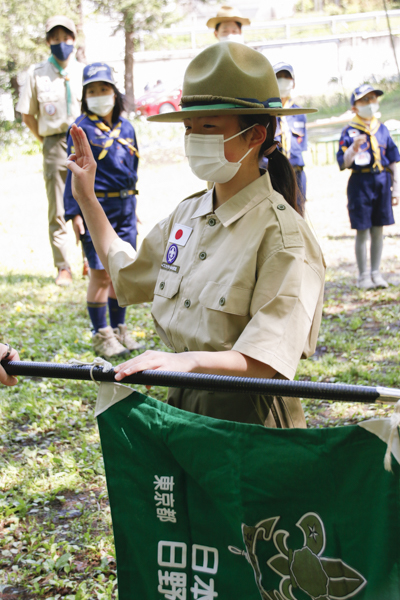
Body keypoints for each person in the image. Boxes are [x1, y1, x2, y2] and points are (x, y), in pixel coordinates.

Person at [63, 42, 325, 428]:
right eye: (189, 127)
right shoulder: (188, 214)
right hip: (184, 418)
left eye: (209, 127)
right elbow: (125, 272)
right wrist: (87, 198)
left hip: (251, 429)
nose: (194, 138)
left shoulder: (285, 237)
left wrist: (185, 362)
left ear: (255, 135)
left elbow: (266, 360)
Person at [64, 62, 144, 358]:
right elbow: (71, 172)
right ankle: (101, 334)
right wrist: (74, 212)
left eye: (104, 89)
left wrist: (133, 205)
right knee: (100, 273)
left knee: (121, 270)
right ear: (85, 96)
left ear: (115, 92)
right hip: (96, 208)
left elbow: (132, 168)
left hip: (125, 207)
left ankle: (120, 329)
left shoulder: (127, 127)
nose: (99, 94)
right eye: (93, 90)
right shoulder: (80, 128)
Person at [16, 15, 84, 286]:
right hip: (54, 142)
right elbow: (28, 116)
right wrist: (46, 141)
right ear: (47, 42)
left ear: (74, 40)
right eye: (55, 38)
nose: (61, 43)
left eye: (65, 38)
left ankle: (91, 259)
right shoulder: (36, 74)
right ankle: (63, 266)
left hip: (84, 142)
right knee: (57, 206)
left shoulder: (85, 71)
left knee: (89, 200)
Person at [337, 84, 400, 289]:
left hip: (381, 181)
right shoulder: (349, 131)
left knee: (378, 230)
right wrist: (353, 148)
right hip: (360, 183)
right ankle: (363, 276)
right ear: (354, 107)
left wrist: (396, 188)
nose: (370, 104)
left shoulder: (381, 128)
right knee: (362, 230)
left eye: (373, 99)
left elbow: (392, 159)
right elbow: (343, 163)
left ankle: (376, 273)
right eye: (365, 100)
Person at [260, 62, 308, 214]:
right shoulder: (266, 112)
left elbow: (302, 144)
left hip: (296, 172)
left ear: (293, 83)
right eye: (278, 77)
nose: (283, 80)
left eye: (287, 77)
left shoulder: (299, 112)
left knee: (298, 213)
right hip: (273, 172)